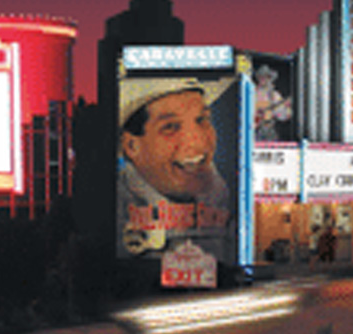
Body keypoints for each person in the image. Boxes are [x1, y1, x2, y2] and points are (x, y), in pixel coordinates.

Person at [117, 77, 232, 256]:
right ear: (132, 146)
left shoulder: (223, 193)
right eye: (170, 127)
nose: (198, 143)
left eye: (202, 119)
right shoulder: (115, 208)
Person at [252, 65, 292, 141]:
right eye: (261, 76)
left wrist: (287, 109)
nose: (263, 79)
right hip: (252, 130)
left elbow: (283, 115)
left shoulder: (274, 95)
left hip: (268, 130)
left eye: (266, 77)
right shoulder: (252, 92)